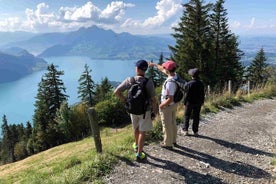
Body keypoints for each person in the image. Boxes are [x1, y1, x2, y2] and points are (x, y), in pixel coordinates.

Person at [114, 59, 158, 161]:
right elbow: (153, 100)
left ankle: (136, 146)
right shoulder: (148, 82)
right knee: (143, 131)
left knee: (136, 128)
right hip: (144, 111)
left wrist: (126, 101)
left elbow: (116, 91)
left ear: (137, 69)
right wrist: (155, 112)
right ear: (145, 70)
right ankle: (139, 154)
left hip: (132, 109)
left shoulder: (130, 80)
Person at [148, 60, 179, 149]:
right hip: (174, 105)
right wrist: (153, 65)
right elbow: (162, 69)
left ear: (168, 70)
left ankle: (167, 144)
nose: (164, 69)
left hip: (167, 106)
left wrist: (161, 106)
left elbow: (170, 98)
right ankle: (173, 140)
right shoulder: (175, 76)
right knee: (173, 122)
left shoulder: (169, 83)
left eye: (165, 68)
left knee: (166, 124)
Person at [181, 68, 205, 136]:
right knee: (196, 116)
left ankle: (185, 130)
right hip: (198, 102)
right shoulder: (201, 83)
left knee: (187, 116)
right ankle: (195, 131)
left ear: (191, 75)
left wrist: (184, 102)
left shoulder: (189, 84)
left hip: (189, 102)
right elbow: (202, 93)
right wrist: (202, 101)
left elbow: (186, 94)